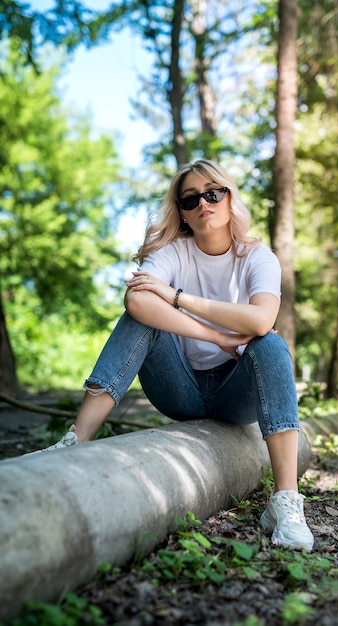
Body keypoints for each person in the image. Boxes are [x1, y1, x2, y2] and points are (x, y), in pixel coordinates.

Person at [38, 158, 314, 552]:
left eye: (213, 193)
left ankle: (286, 503)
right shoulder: (173, 253)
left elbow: (260, 319)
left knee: (270, 343)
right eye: (190, 199)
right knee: (140, 318)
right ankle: (75, 441)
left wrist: (178, 297)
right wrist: (218, 337)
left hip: (237, 397)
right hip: (178, 388)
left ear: (229, 197)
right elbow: (137, 301)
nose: (204, 203)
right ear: (181, 212)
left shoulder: (257, 257)